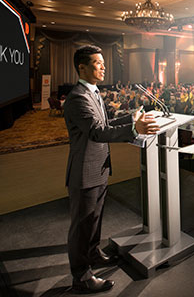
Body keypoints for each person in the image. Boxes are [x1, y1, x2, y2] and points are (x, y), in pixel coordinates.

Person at [64, 45, 159, 293]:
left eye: (104, 62)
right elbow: (97, 132)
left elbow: (105, 123)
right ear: (82, 67)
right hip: (85, 172)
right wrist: (135, 129)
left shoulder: (94, 93)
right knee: (82, 226)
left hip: (100, 168)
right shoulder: (77, 98)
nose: (104, 66)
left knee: (94, 220)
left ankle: (93, 254)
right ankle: (81, 276)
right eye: (98, 62)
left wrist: (130, 118)